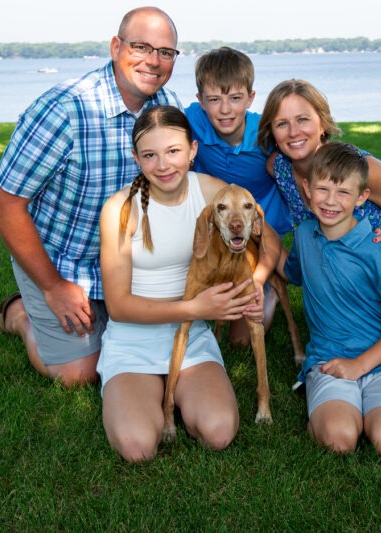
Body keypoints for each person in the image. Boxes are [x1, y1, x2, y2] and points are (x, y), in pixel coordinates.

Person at [0, 7, 182, 387]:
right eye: (141, 46)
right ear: (115, 47)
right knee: (81, 374)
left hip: (129, 265)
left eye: (165, 52)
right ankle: (20, 314)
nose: (153, 61)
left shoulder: (167, 107)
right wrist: (53, 287)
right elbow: (3, 202)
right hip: (62, 263)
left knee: (153, 349)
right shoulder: (63, 110)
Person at [97, 106, 276, 461]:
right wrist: (195, 308)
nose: (163, 165)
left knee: (220, 432)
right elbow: (117, 305)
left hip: (190, 336)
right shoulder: (120, 208)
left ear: (193, 150)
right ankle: (144, 392)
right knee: (137, 447)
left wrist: (255, 283)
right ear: (136, 158)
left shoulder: (211, 190)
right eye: (150, 155)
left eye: (174, 152)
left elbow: (268, 239)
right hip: (133, 342)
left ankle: (181, 394)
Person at [281, 142, 381, 455]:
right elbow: (292, 272)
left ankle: (375, 405)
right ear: (306, 189)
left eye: (343, 192)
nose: (331, 201)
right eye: (322, 189)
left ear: (362, 197)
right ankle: (338, 410)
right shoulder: (304, 235)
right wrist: (262, 236)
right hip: (328, 359)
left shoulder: (377, 248)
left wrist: (359, 365)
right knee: (338, 440)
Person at [257, 78, 381, 302]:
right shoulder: (278, 168)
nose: (293, 132)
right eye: (281, 124)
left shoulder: (362, 169)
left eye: (303, 120)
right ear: (272, 131)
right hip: (341, 260)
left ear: (322, 124)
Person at [183, 46, 289, 345]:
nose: (225, 109)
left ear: (251, 98)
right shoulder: (192, 121)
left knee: (241, 339)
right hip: (219, 218)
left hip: (261, 219)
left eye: (235, 98)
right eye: (214, 100)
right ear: (201, 101)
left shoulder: (266, 134)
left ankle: (268, 283)